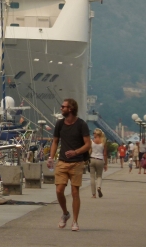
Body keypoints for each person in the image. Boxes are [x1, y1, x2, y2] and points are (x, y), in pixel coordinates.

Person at [47, 98, 91, 232]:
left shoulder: (81, 125)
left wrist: (76, 152)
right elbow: (55, 141)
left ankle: (75, 221)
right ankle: (65, 213)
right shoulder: (60, 124)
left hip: (77, 162)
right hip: (62, 161)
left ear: (70, 109)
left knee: (74, 192)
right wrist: (51, 157)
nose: (61, 108)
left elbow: (88, 144)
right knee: (59, 190)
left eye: (63, 107)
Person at [89, 129, 108, 198]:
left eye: (94, 133)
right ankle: (99, 187)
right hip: (100, 160)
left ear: (97, 134)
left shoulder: (92, 142)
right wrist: (105, 164)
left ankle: (93, 194)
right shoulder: (103, 142)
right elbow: (105, 154)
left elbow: (89, 150)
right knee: (99, 176)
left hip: (92, 159)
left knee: (92, 177)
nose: (93, 134)